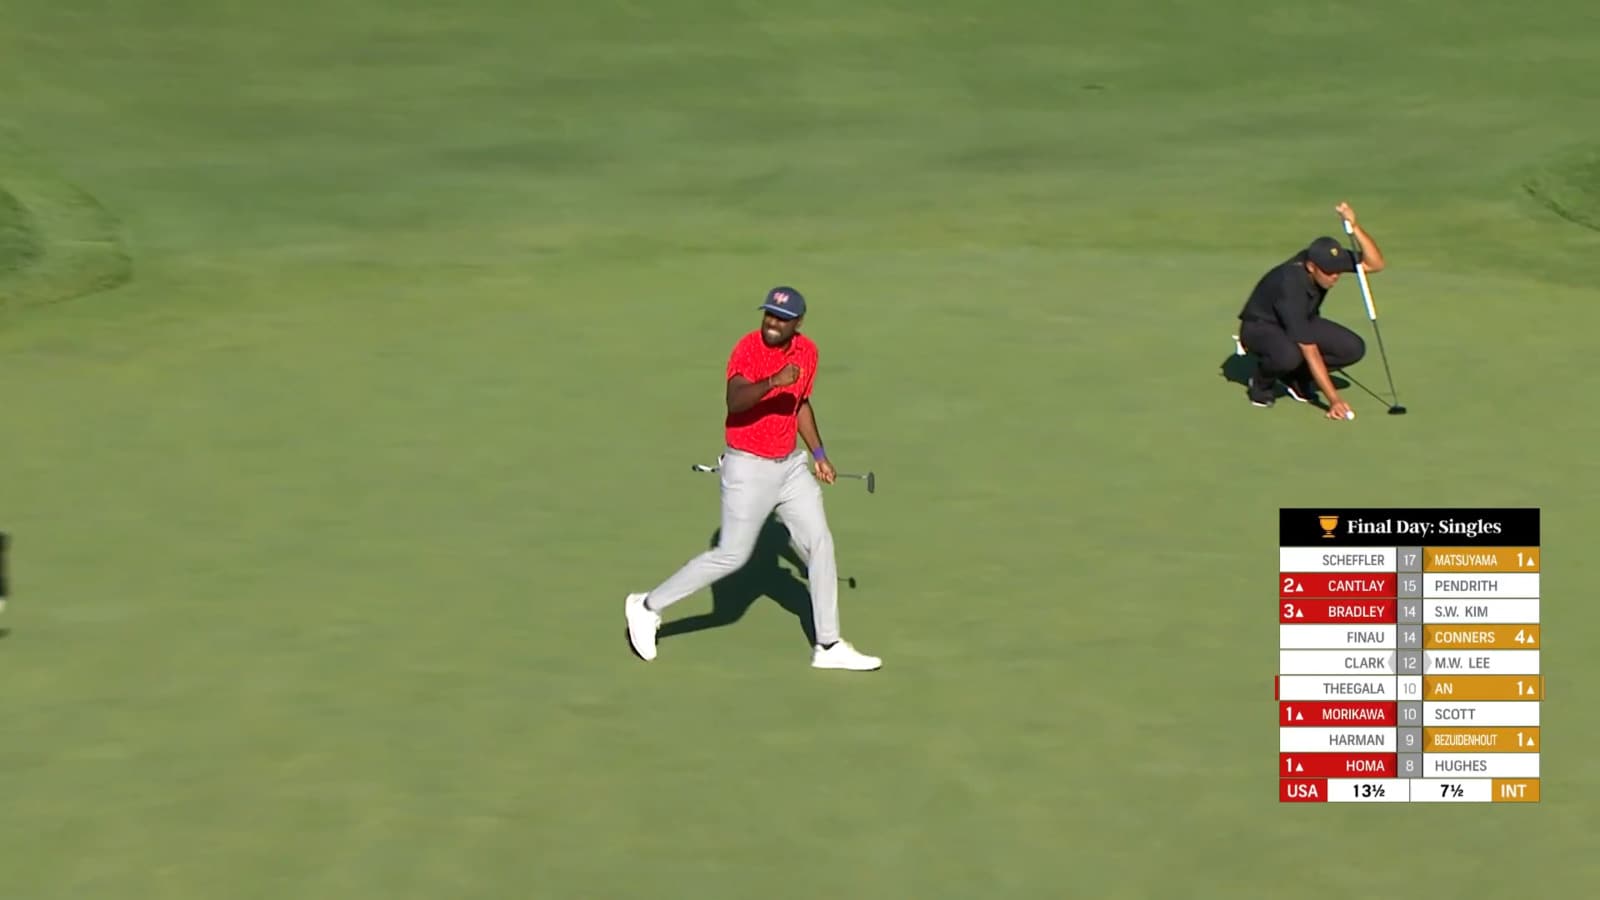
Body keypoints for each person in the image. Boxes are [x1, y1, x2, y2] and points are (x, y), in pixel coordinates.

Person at [624, 287, 881, 671]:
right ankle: (646, 606)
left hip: (791, 468)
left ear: (798, 323)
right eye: (769, 315)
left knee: (820, 544)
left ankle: (828, 645)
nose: (773, 323)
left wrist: (820, 455)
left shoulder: (808, 352)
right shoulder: (748, 349)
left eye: (782, 318)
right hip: (748, 466)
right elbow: (735, 400)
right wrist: (774, 380)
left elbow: (801, 405)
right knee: (732, 555)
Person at [1235, 202, 1387, 419]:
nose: (1334, 276)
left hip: (1303, 319)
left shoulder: (1326, 261)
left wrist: (1355, 227)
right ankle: (1260, 383)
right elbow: (1310, 350)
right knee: (1288, 355)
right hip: (1261, 327)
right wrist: (1334, 400)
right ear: (1311, 267)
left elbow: (1375, 264)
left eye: (1337, 270)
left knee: (1352, 348)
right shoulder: (1290, 286)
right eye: (1328, 272)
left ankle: (1296, 379)